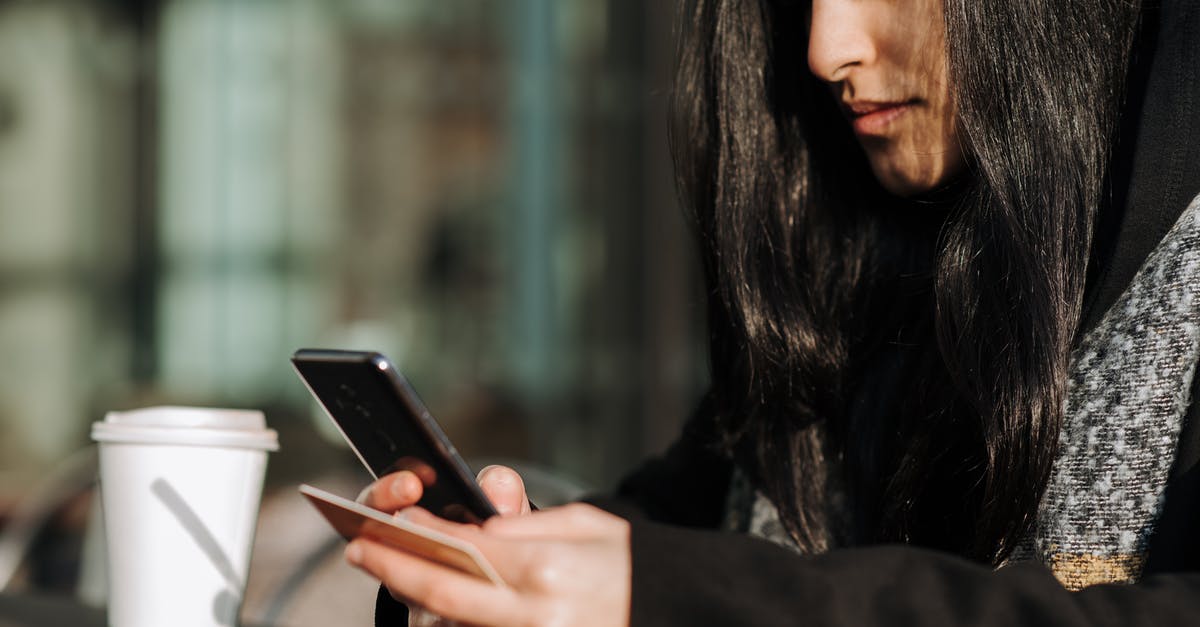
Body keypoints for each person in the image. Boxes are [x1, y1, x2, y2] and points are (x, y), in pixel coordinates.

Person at [348, 0, 1200, 624]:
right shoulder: (853, 275)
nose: (827, 49)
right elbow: (681, 529)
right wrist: (513, 566)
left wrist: (680, 599)